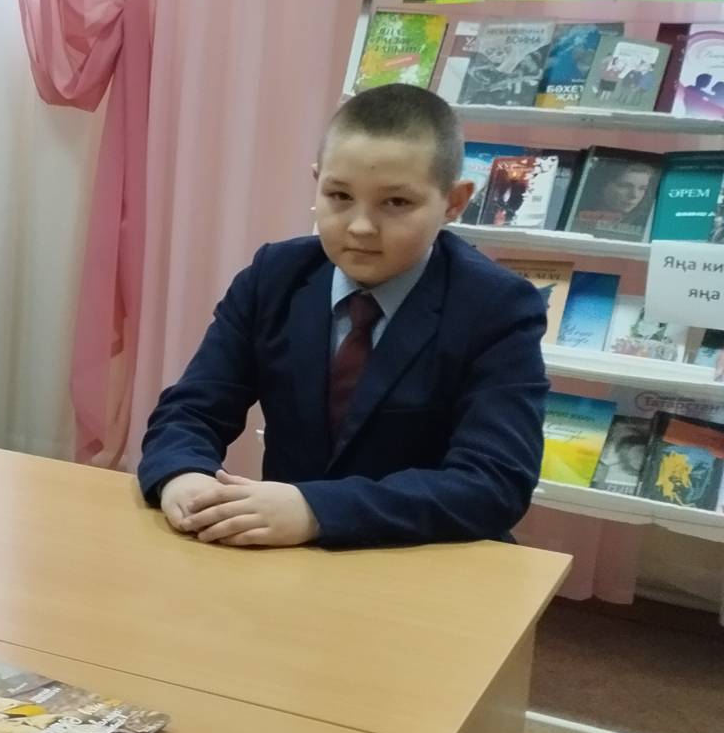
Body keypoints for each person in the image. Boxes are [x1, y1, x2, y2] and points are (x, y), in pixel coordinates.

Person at [137, 84, 547, 550]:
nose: (360, 226)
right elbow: (191, 410)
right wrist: (183, 475)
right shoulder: (274, 276)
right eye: (339, 195)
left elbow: (494, 481)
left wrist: (316, 510)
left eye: (396, 203)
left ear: (454, 202)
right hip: (288, 560)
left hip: (425, 560)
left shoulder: (497, 306)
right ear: (317, 183)